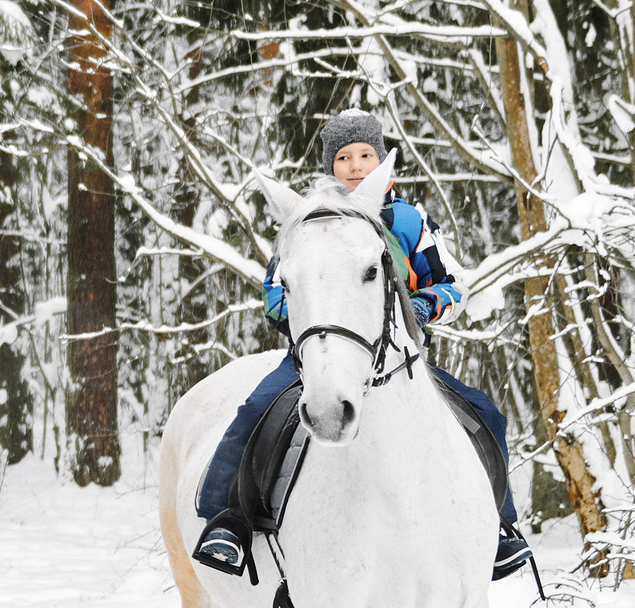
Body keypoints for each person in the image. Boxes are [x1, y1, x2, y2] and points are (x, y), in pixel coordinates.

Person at [189, 110, 532, 582]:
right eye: (344, 157)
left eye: (366, 155)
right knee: (254, 413)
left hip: (397, 360)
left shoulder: (408, 221)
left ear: (381, 160)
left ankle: (498, 528)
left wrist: (421, 306)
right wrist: (303, 312)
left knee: (484, 413)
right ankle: (227, 521)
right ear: (330, 166)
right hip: (314, 359)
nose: (355, 166)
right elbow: (274, 292)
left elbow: (453, 285)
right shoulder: (305, 222)